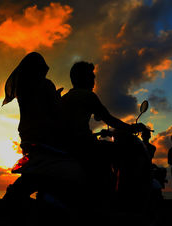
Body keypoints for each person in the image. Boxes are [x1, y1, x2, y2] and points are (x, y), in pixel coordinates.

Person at [60, 61, 146, 201]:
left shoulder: (66, 97)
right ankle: (123, 198)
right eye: (91, 76)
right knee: (126, 153)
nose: (94, 81)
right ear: (84, 78)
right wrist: (132, 128)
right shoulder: (87, 96)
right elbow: (110, 119)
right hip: (83, 145)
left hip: (68, 146)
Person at [2, 52, 63, 202]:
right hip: (45, 136)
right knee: (55, 168)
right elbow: (55, 110)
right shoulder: (46, 84)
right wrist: (57, 97)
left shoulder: (23, 89)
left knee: (32, 170)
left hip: (27, 136)